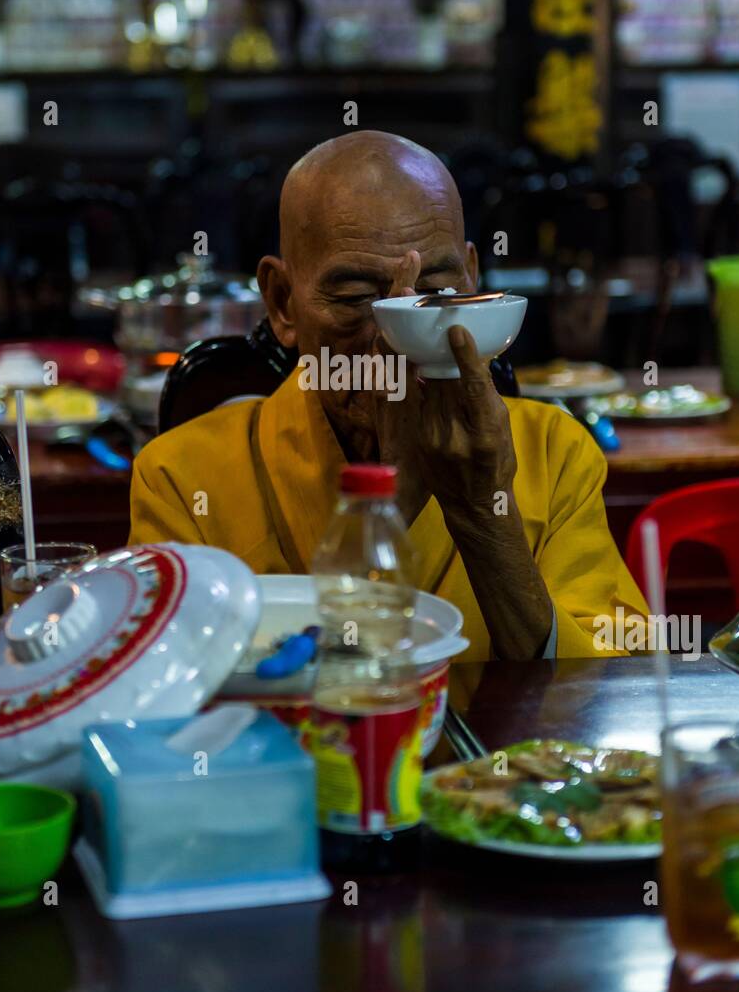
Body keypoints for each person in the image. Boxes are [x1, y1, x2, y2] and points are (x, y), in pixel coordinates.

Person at [130, 131, 648, 709]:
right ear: (281, 301)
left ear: (472, 281)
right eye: (355, 298)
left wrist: (483, 517)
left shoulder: (555, 452)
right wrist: (387, 507)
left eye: (436, 292)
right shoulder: (183, 474)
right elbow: (163, 700)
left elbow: (608, 701)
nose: (396, 338)